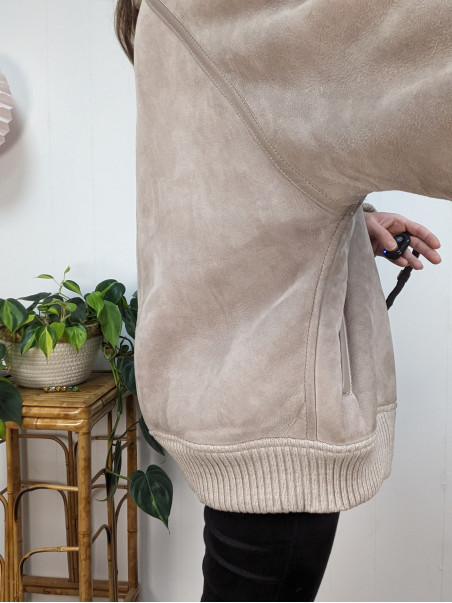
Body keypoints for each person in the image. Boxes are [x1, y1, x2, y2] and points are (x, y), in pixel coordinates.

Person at [115, 1, 451, 600]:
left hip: (230, 393)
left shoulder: (164, 17)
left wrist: (350, 220)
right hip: (273, 409)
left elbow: (226, 183)